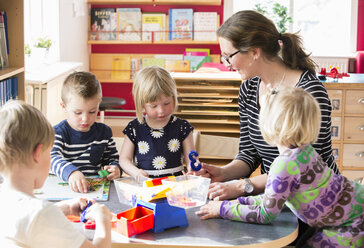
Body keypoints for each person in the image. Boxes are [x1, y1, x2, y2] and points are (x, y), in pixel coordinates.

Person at [194, 10, 339, 201]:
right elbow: (249, 153)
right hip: (275, 197)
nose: (226, 63)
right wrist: (223, 173)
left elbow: (303, 167)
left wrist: (243, 186)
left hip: (316, 202)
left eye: (228, 56)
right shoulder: (249, 88)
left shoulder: (309, 92)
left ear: (254, 52)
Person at [196, 88, 364, 248]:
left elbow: (265, 213)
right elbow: (272, 196)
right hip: (352, 209)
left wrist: (223, 209)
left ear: (270, 124)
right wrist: (237, 202)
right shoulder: (305, 151)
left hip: (350, 225)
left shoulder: (284, 165)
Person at [0, 101, 112, 247]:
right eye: (49, 153)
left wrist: (65, 208)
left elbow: (29, 221)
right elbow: (39, 218)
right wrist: (104, 221)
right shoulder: (42, 214)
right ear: (37, 154)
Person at [50, 71, 121, 193]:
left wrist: (115, 168)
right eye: (78, 113)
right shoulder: (57, 133)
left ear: (98, 104)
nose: (85, 119)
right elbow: (51, 158)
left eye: (92, 112)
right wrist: (71, 172)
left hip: (94, 191)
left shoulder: (104, 133)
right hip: (65, 190)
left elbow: (112, 158)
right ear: (64, 107)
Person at [119, 66, 195, 179]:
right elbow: (124, 159)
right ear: (142, 104)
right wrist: (135, 172)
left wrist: (193, 167)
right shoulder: (134, 128)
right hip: (145, 184)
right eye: (153, 106)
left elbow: (191, 157)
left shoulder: (182, 127)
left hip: (175, 185)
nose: (161, 111)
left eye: (166, 103)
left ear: (174, 98)